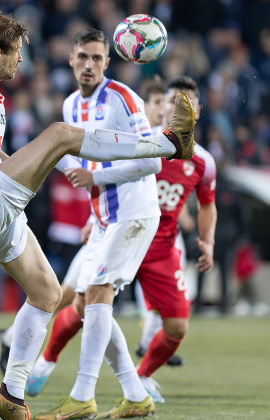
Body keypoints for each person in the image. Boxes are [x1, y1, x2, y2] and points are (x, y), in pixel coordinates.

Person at [0, 9, 195, 418]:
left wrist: (17, 163)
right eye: (17, 52)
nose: (22, 60)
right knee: (60, 134)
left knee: (47, 294)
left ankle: (12, 394)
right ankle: (169, 144)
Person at [31, 28, 162, 419]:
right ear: (70, 59)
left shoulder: (123, 98)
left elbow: (153, 159)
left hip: (134, 214)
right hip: (105, 219)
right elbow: (83, 163)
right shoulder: (71, 105)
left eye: (97, 59)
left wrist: (97, 178)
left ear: (108, 62)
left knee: (99, 292)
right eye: (82, 57)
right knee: (87, 305)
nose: (89, 65)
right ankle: (136, 396)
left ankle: (83, 395)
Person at [135, 77, 217, 403]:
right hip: (124, 239)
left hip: (162, 250)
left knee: (178, 328)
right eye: (170, 100)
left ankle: (141, 376)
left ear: (195, 111)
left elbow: (208, 204)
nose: (174, 107)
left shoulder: (203, 161)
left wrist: (207, 240)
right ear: (161, 106)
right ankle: (42, 364)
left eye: (184, 102)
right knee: (79, 303)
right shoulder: (140, 142)